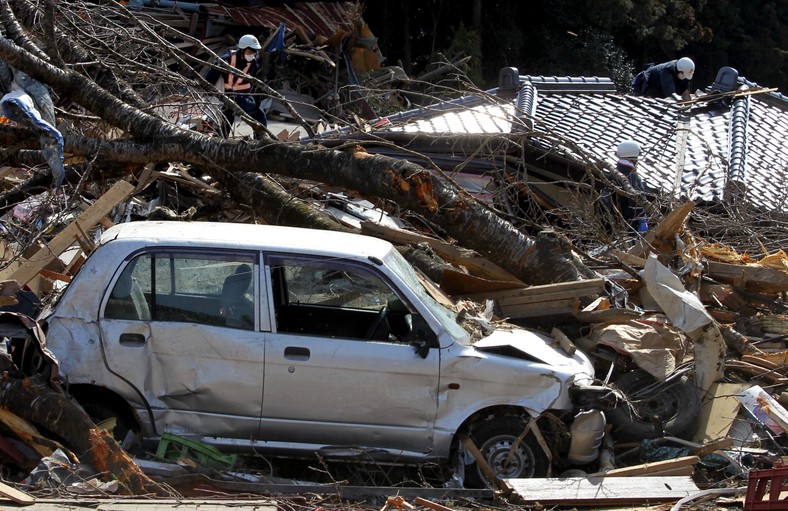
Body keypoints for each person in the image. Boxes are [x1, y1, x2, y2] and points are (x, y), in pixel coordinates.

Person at [205, 34, 268, 131]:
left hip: (244, 96)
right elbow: (210, 78)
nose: (252, 55)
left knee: (260, 116)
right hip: (228, 96)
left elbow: (251, 82)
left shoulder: (253, 63)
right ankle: (220, 142)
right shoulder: (226, 60)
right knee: (225, 121)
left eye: (254, 53)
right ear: (242, 49)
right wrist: (209, 95)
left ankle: (261, 140)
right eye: (250, 51)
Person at [603, 140, 648, 233]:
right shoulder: (633, 177)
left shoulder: (612, 175)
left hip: (612, 226)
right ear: (633, 160)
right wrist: (642, 220)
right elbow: (637, 202)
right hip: (630, 228)